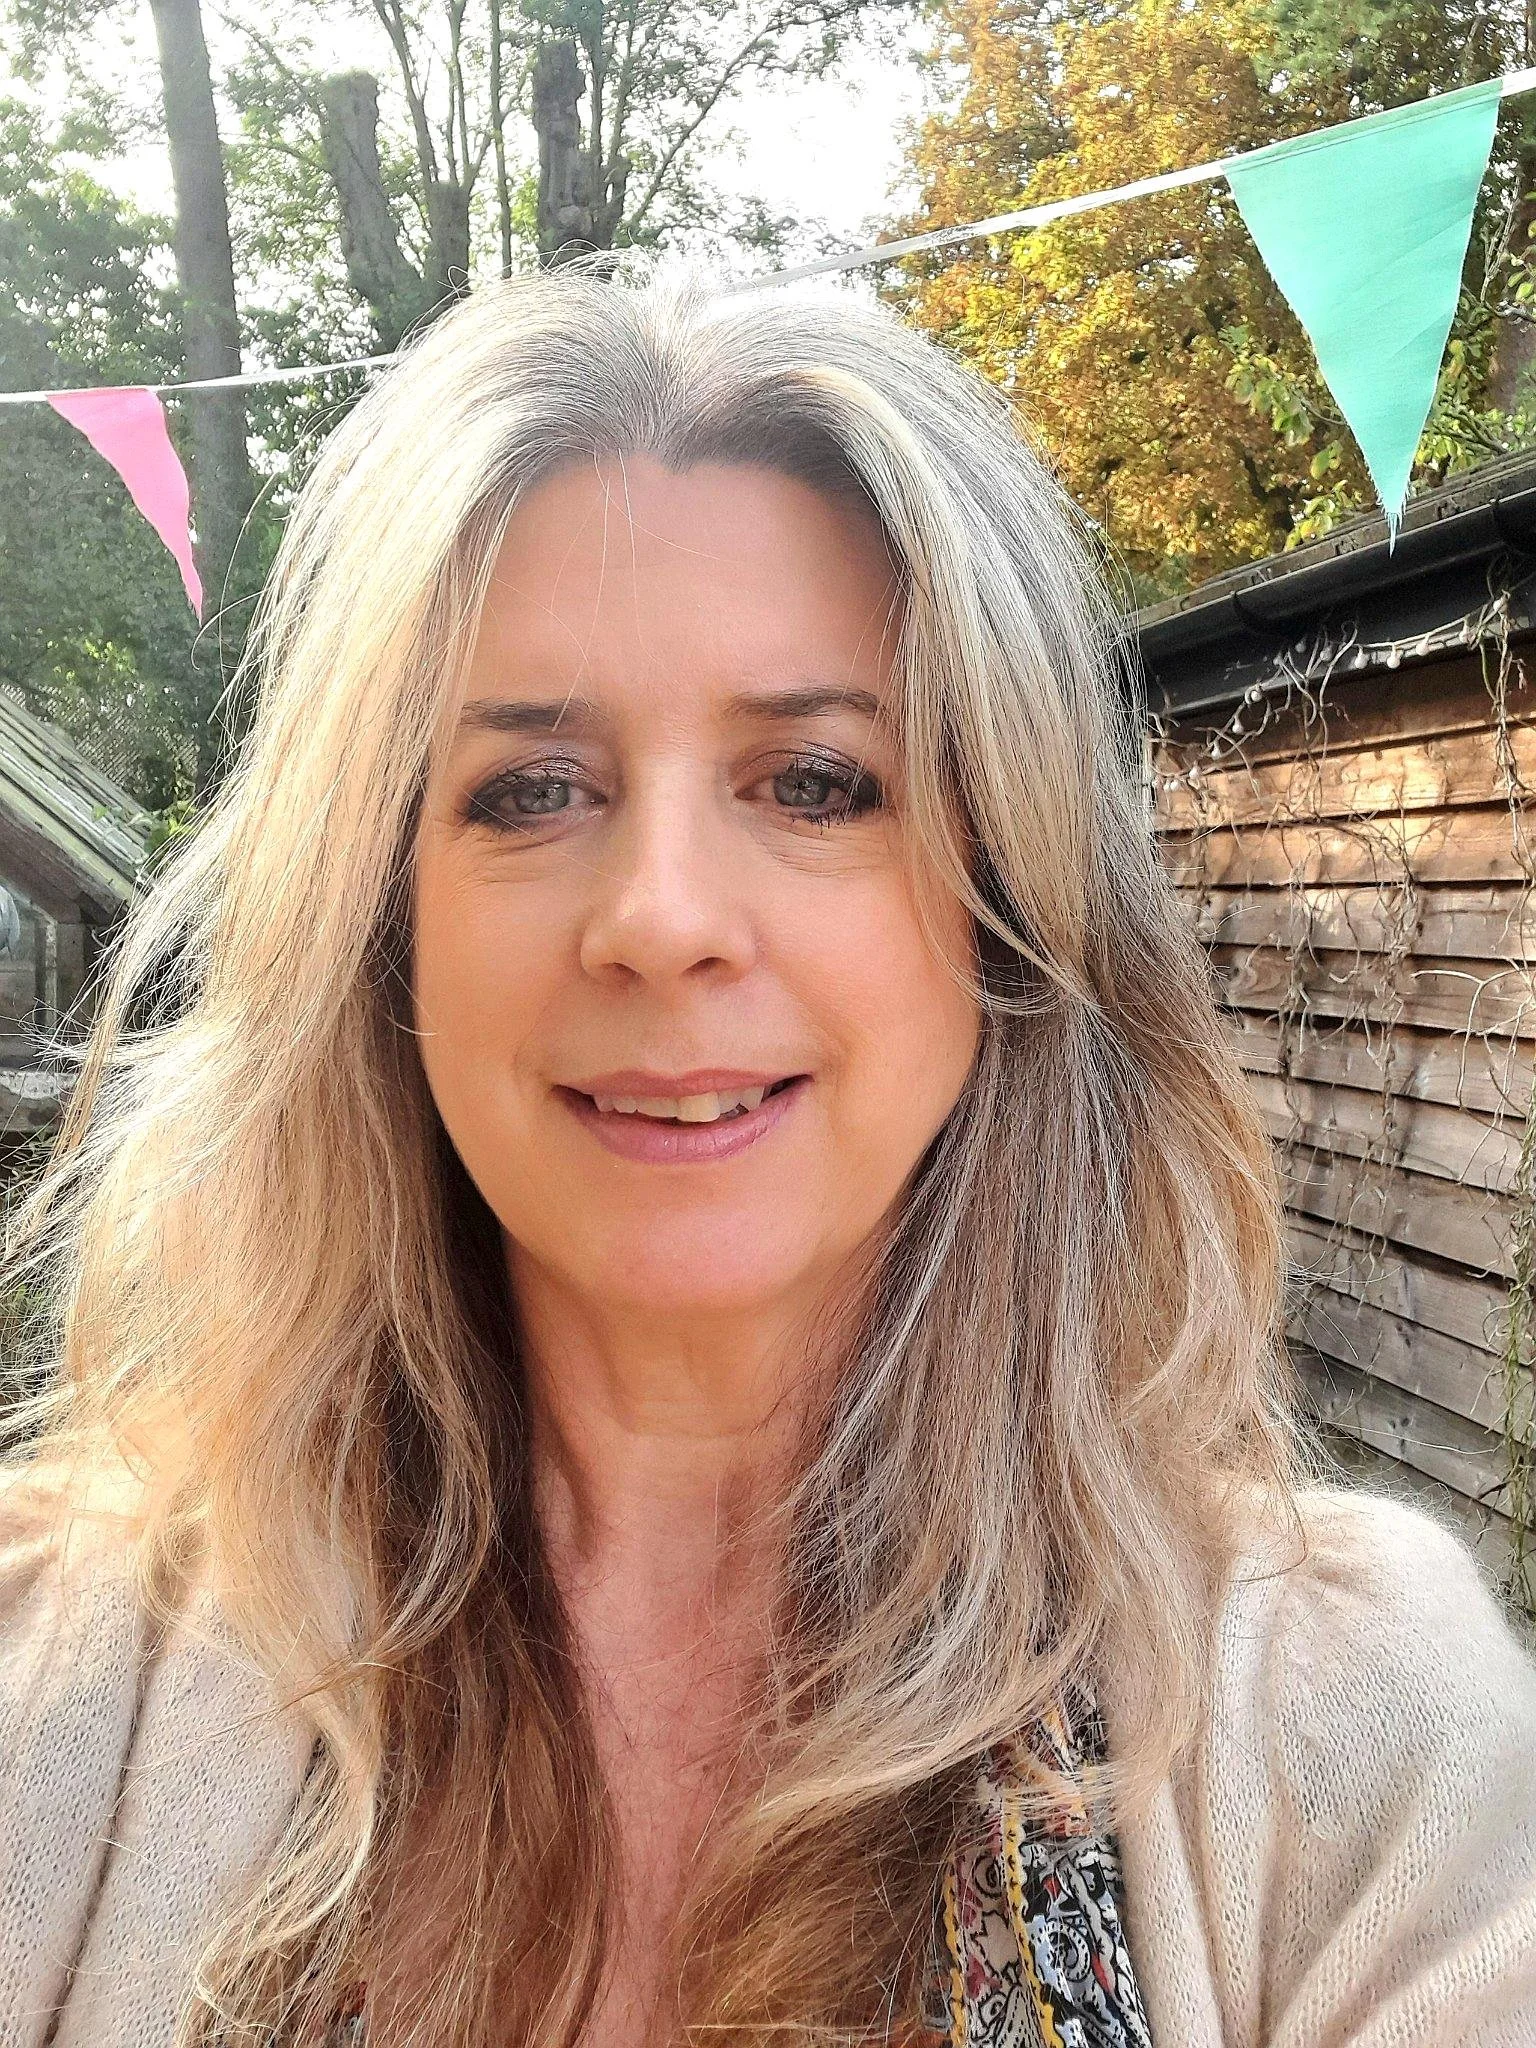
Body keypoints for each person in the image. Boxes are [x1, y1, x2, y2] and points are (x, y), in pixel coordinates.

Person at [1, 256, 1533, 2048]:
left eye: (814, 783)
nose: (659, 919)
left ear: (1009, 913)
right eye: (530, 789)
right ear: (380, 923)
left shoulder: (1362, 1729)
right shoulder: (52, 1679)